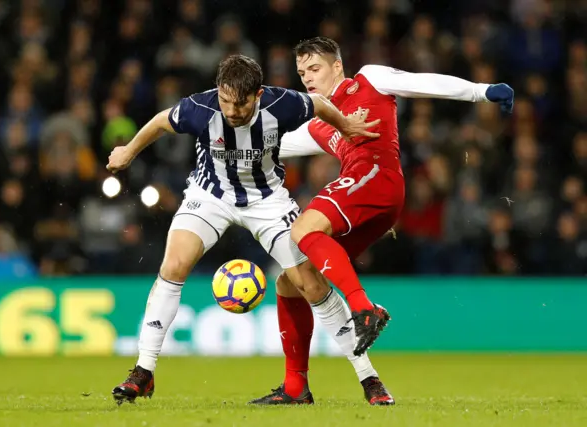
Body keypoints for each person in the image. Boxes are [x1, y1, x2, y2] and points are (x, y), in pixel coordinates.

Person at [251, 36, 514, 405]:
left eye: (315, 69)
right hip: (373, 203)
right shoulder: (321, 124)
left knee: (303, 228)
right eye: (301, 73)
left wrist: (481, 91)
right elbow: (267, 146)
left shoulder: (369, 79)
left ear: (336, 66)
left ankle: (363, 307)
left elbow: (423, 82)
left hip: (377, 178)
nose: (308, 78)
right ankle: (298, 387)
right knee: (291, 281)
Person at [106, 54, 381, 405]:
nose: (232, 111)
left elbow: (319, 104)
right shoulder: (200, 109)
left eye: (240, 104)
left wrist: (345, 126)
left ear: (258, 95)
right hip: (210, 195)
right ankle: (143, 373)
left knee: (310, 283)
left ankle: (369, 378)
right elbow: (161, 122)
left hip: (268, 200)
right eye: (225, 101)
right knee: (173, 265)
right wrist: (129, 151)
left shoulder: (283, 104)